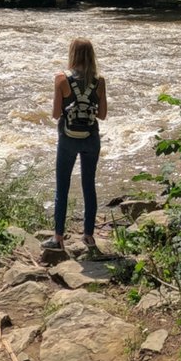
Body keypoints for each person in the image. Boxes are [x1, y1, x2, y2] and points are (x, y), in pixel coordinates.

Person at [44, 37, 108, 251]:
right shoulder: (100, 81)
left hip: (68, 138)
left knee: (62, 187)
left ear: (73, 54)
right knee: (89, 185)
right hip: (91, 138)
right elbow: (103, 115)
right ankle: (88, 236)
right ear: (91, 55)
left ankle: (58, 238)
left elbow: (55, 114)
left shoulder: (61, 79)